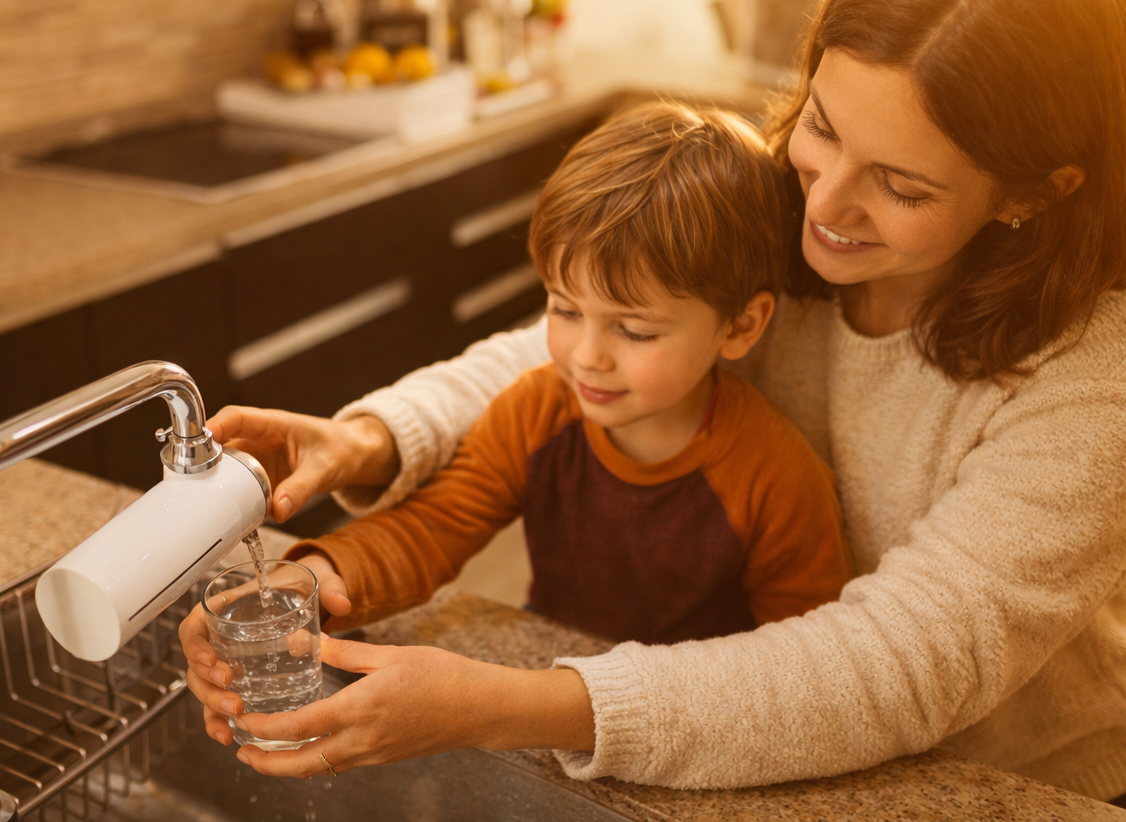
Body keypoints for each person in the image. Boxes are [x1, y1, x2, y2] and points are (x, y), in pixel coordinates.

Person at [179, 0, 1126, 820]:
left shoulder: (1106, 362)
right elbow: (578, 351)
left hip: (1018, 789)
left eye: (900, 185)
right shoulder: (786, 210)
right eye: (820, 126)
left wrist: (507, 704)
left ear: (1035, 192)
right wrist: (368, 437)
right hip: (773, 756)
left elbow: (903, 666)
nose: (823, 204)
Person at [282, 103, 852, 646]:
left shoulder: (778, 478)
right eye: (564, 309)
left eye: (635, 331)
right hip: (554, 662)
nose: (587, 356)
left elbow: (803, 654)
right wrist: (326, 572)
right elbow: (430, 528)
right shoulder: (536, 411)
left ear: (740, 326)